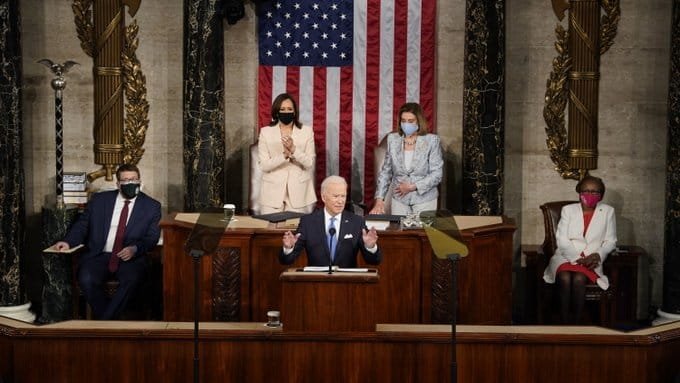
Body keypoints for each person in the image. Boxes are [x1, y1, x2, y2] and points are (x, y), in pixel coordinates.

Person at [51, 164, 161, 320]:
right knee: (86, 278)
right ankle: (110, 322)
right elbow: (83, 226)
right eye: (125, 180)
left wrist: (135, 249)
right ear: (117, 184)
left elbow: (151, 237)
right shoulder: (99, 200)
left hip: (130, 258)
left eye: (133, 179)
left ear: (140, 181)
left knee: (132, 279)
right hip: (99, 255)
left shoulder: (152, 206)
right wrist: (68, 242)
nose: (130, 183)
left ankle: (104, 323)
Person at [543, 175, 617, 324]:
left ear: (601, 195)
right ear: (579, 192)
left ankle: (576, 324)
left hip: (591, 259)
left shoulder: (608, 211)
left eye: (595, 192)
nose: (590, 195)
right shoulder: (568, 210)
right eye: (586, 191)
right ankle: (564, 324)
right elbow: (562, 239)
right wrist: (577, 258)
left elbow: (611, 240)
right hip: (566, 256)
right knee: (564, 277)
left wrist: (598, 255)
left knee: (579, 278)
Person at [280, 175, 382, 268]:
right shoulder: (308, 222)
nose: (340, 201)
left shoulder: (356, 222)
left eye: (343, 196)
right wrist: (288, 248)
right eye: (336, 196)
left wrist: (370, 247)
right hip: (316, 284)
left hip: (348, 284)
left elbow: (374, 261)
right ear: (324, 197)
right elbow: (287, 260)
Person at [369, 102, 443, 216]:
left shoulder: (431, 141)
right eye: (403, 121)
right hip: (400, 200)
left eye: (411, 121)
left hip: (425, 200)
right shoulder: (392, 140)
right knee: (400, 233)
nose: (406, 124)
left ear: (419, 121)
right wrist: (379, 200)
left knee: (421, 233)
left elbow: (437, 174)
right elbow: (386, 173)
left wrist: (413, 187)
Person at [257, 93, 317, 214]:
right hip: (272, 193)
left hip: (299, 192)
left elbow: (309, 163)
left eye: (290, 109)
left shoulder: (306, 131)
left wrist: (294, 149)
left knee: (297, 231)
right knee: (270, 230)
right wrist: (284, 155)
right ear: (276, 111)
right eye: (282, 109)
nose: (286, 112)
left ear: (295, 112)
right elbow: (264, 165)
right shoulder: (265, 132)